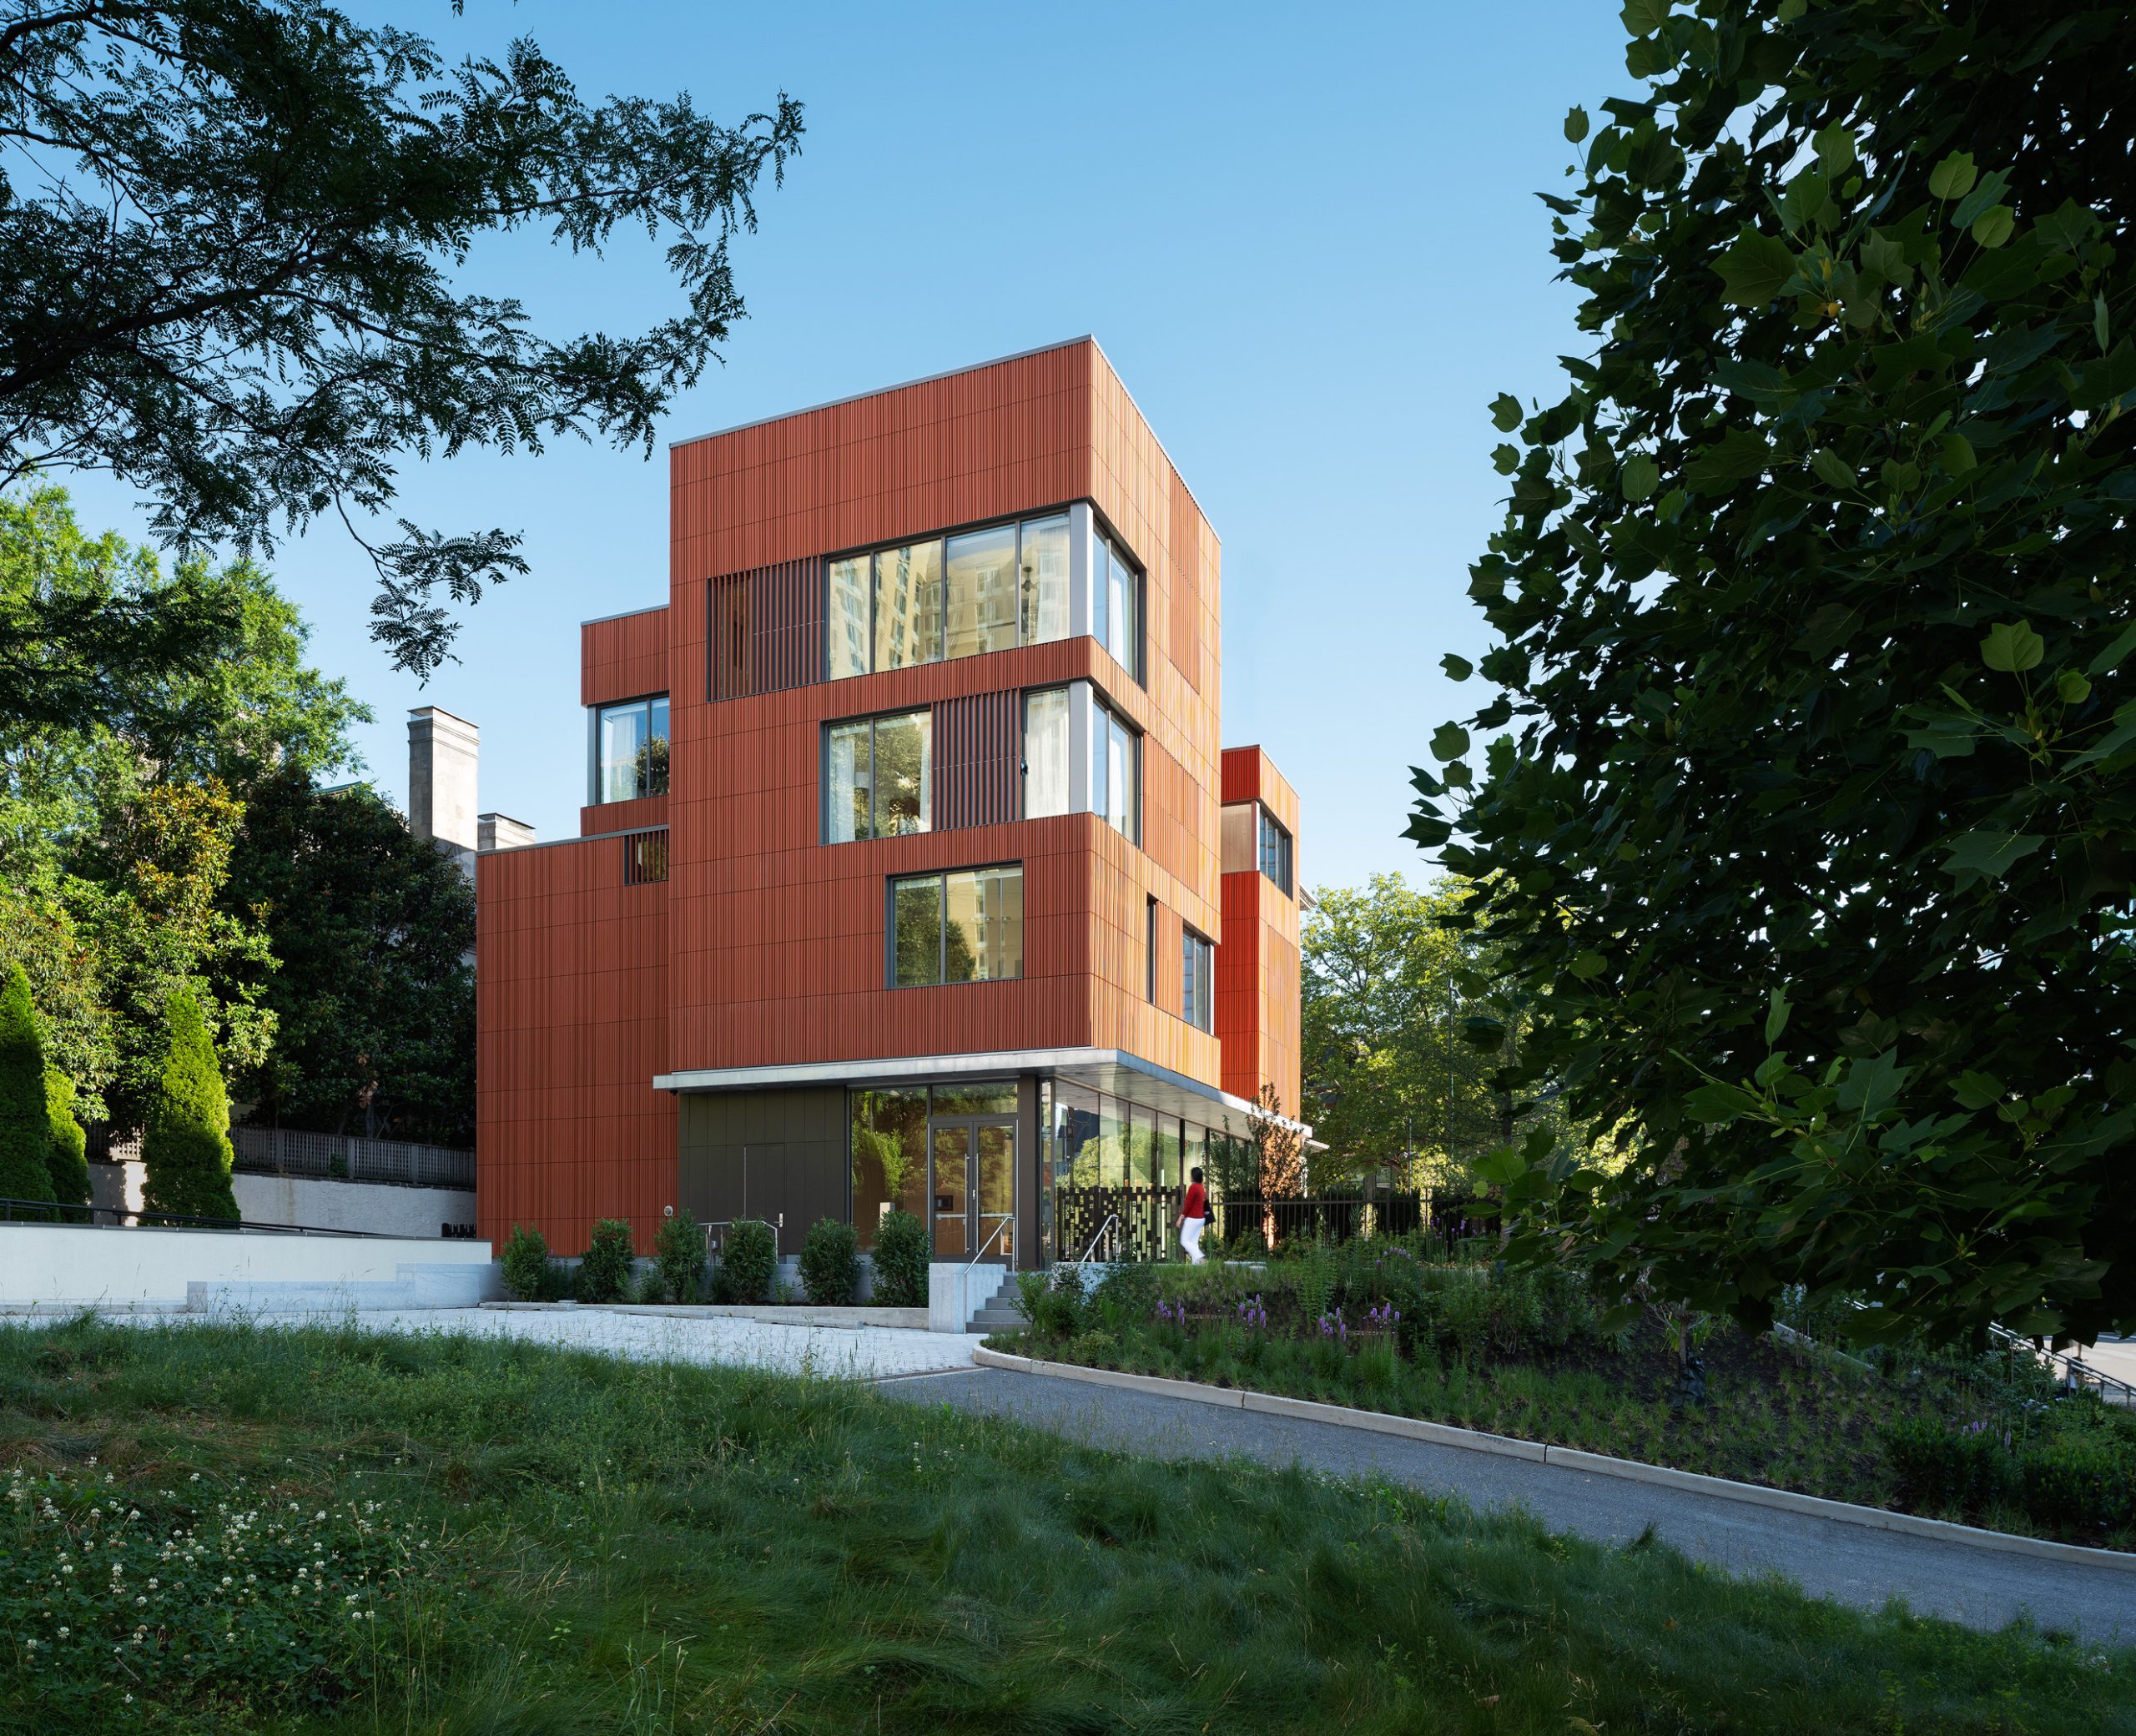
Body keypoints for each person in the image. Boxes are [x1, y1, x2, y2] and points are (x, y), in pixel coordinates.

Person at [1174, 1165, 1210, 1266]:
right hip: (1200, 1219)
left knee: (1184, 1241)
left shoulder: (1193, 1188)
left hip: (1193, 1218)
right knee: (1193, 1243)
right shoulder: (1201, 1187)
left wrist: (1180, 1218)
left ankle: (1200, 1258)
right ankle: (1196, 1267)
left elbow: (1188, 1205)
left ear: (1193, 1176)